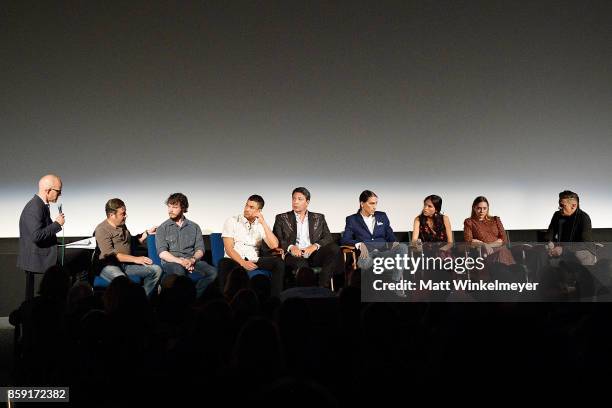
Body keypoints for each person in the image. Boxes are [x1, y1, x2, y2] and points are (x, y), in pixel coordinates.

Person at [273, 187, 343, 288]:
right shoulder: (282, 218)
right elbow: (277, 238)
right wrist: (291, 247)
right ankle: (304, 293)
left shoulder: (318, 217)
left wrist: (314, 246)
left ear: (307, 202)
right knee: (301, 264)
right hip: (294, 255)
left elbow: (328, 237)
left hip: (313, 253)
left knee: (334, 248)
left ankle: (322, 287)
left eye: (299, 199)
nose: (295, 202)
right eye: (294, 198)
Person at [340, 190, 408, 293]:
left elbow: (391, 236)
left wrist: (395, 243)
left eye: (376, 203)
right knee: (364, 262)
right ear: (362, 204)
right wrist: (359, 244)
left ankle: (395, 284)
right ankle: (367, 291)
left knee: (403, 247)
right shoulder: (352, 219)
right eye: (371, 203)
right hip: (367, 252)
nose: (375, 207)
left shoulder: (382, 216)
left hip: (384, 252)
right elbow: (345, 239)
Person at [219, 194, 285, 297]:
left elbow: (274, 245)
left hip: (254, 259)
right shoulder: (232, 221)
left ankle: (275, 298)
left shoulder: (260, 225)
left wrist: (263, 223)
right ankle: (225, 300)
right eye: (246, 205)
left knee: (278, 263)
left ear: (259, 211)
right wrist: (243, 263)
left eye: (251, 207)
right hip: (235, 259)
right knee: (223, 263)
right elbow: (228, 249)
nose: (246, 209)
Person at [94, 198, 162, 297]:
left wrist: (146, 234)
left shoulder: (122, 225)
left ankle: (142, 300)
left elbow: (129, 242)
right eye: (123, 213)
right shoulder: (101, 230)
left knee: (156, 270)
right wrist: (136, 259)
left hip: (126, 265)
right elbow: (110, 255)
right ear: (112, 215)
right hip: (109, 265)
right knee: (123, 281)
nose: (126, 216)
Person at [155, 193, 218, 298]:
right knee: (179, 272)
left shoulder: (194, 227)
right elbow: (162, 253)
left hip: (191, 260)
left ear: (183, 208)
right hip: (172, 262)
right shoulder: (163, 228)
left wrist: (192, 260)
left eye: (174, 207)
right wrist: (181, 262)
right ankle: (183, 302)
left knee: (213, 272)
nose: (170, 210)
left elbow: (200, 249)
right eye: (169, 206)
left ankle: (194, 297)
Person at [17, 174, 66, 300]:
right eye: (58, 191)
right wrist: (57, 224)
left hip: (43, 252)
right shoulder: (34, 207)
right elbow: (37, 236)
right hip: (38, 256)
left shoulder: (41, 205)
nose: (59, 195)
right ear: (48, 190)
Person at [544, 190, 595, 265]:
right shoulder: (557, 215)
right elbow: (549, 234)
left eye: (563, 206)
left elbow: (585, 243)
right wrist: (550, 243)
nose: (560, 208)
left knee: (580, 255)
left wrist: (563, 250)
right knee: (540, 252)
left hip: (580, 250)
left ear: (573, 205)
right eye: (560, 205)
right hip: (561, 249)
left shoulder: (584, 218)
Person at [463, 196, 515, 265]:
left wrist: (489, 246)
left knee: (502, 252)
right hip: (483, 253)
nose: (482, 211)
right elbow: (469, 241)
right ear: (474, 208)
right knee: (500, 255)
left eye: (484, 208)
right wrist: (484, 245)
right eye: (479, 208)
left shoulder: (495, 219)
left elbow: (504, 239)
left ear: (488, 208)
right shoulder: (469, 222)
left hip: (500, 249)